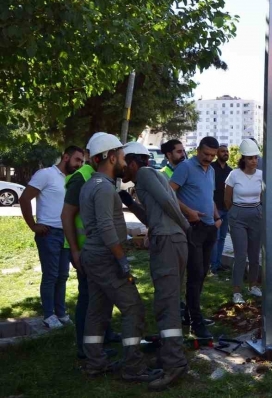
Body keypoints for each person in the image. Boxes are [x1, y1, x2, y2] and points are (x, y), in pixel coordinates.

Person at [79, 133, 162, 382]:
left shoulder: (89, 186)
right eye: (123, 158)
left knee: (97, 310)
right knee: (133, 309)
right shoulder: (104, 188)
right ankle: (133, 367)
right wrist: (122, 261)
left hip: (93, 256)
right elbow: (106, 228)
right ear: (112, 157)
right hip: (106, 258)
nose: (125, 164)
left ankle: (95, 362)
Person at [120, 142, 190, 390]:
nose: (120, 167)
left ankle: (175, 363)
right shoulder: (145, 179)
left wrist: (185, 225)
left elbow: (169, 204)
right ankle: (170, 354)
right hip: (170, 240)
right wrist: (128, 201)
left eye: (122, 162)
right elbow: (152, 216)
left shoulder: (146, 174)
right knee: (167, 301)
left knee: (167, 303)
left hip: (169, 241)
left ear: (133, 162)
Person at [61, 136, 120, 358]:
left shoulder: (104, 177)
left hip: (97, 247)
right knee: (88, 297)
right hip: (84, 249)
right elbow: (67, 216)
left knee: (102, 294)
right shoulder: (82, 178)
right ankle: (84, 347)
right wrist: (75, 251)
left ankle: (105, 335)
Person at [19, 145, 85, 329]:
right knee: (51, 275)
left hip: (66, 233)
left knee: (63, 275)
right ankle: (49, 315)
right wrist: (33, 225)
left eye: (82, 161)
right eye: (77, 160)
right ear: (65, 157)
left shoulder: (72, 179)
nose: (79, 164)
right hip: (48, 232)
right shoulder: (46, 174)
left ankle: (61, 313)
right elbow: (24, 199)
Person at [170, 136, 223, 338]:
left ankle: (191, 314)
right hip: (193, 228)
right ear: (198, 150)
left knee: (201, 275)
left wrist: (217, 217)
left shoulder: (210, 170)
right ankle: (195, 322)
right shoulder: (185, 167)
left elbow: (208, 197)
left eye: (212, 155)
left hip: (210, 227)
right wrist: (189, 211)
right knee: (195, 274)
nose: (208, 158)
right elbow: (169, 192)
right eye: (205, 154)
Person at [224, 139, 264, 303]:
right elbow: (227, 198)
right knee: (241, 254)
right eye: (250, 158)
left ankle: (253, 285)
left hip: (256, 214)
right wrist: (233, 212)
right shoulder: (234, 174)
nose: (253, 161)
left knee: (255, 254)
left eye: (255, 157)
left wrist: (259, 209)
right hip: (238, 214)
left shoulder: (262, 175)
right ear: (243, 159)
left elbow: (263, 196)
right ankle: (237, 290)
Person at [211, 144, 232, 274]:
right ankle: (212, 266)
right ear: (217, 153)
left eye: (227, 151)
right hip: (215, 209)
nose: (225, 153)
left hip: (227, 209)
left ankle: (218, 264)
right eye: (223, 151)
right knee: (215, 238)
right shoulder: (211, 168)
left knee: (223, 238)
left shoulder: (230, 170)